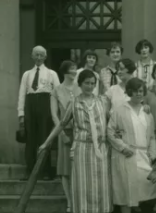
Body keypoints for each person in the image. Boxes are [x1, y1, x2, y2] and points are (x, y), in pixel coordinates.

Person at [39, 69, 114, 213]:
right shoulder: (73, 103)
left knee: (102, 185)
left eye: (93, 83)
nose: (90, 86)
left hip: (101, 149)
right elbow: (61, 124)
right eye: (87, 83)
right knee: (83, 185)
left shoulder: (103, 101)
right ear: (80, 84)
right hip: (82, 149)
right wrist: (46, 142)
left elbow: (113, 122)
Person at [108, 78, 156, 213]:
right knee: (126, 194)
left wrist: (152, 155)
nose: (139, 94)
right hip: (126, 156)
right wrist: (123, 147)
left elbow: (152, 136)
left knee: (148, 188)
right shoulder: (120, 110)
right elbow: (110, 132)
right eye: (136, 91)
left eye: (141, 91)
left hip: (144, 157)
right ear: (130, 92)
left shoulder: (147, 113)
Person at [17, 46, 60, 180]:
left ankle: (45, 171)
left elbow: (58, 93)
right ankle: (30, 171)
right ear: (32, 56)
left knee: (44, 137)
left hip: (45, 104)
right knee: (30, 139)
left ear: (45, 57)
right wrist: (21, 114)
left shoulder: (52, 74)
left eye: (41, 55)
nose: (39, 58)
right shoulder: (27, 74)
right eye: (36, 55)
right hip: (30, 104)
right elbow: (22, 94)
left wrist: (55, 113)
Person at [51, 60, 81, 213]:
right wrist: (61, 133)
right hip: (63, 131)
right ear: (64, 72)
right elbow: (55, 116)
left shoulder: (80, 88)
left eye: (75, 69)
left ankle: (77, 200)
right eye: (71, 70)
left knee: (78, 168)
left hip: (79, 132)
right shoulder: (56, 90)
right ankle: (69, 201)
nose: (74, 72)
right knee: (65, 170)